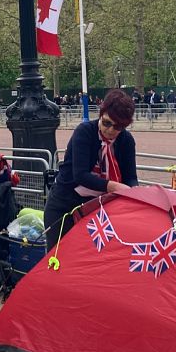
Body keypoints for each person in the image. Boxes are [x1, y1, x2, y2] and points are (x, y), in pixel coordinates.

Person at [44, 89, 139, 250]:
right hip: (65, 205)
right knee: (58, 257)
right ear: (101, 114)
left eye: (118, 127)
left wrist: (134, 191)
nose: (110, 130)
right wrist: (114, 186)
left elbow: (130, 176)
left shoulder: (126, 141)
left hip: (99, 210)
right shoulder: (85, 132)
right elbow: (80, 175)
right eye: (107, 122)